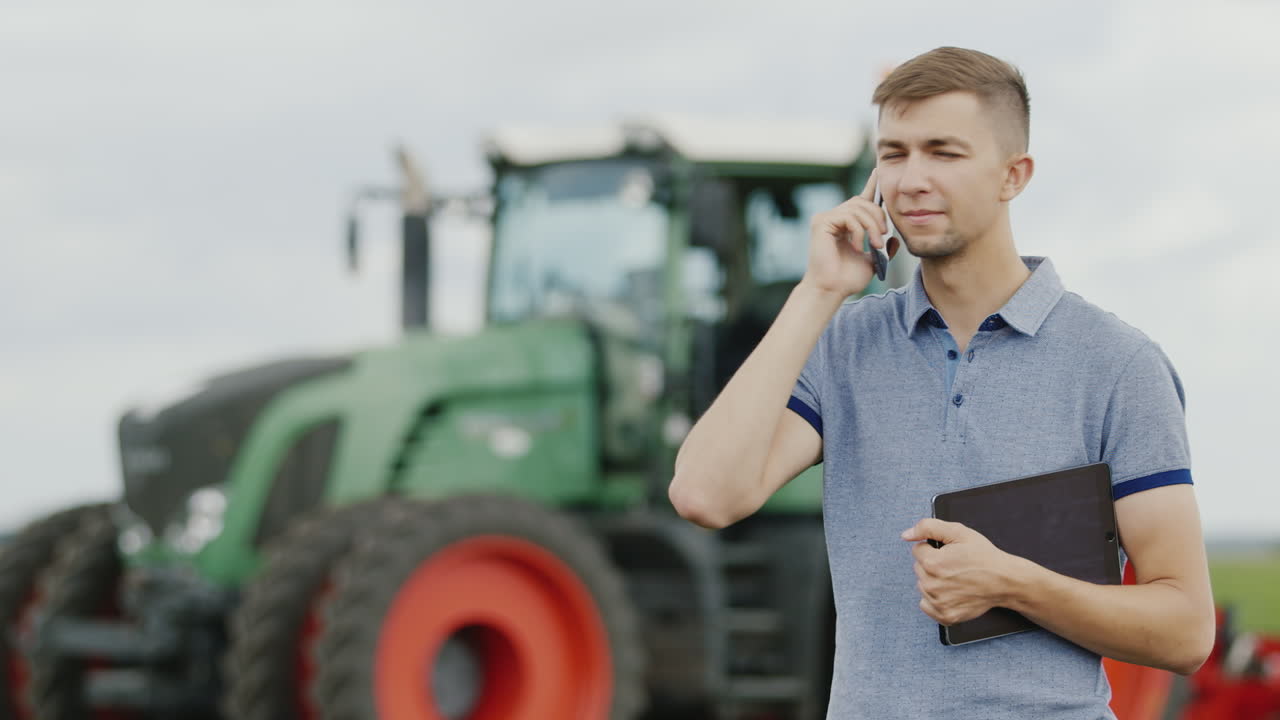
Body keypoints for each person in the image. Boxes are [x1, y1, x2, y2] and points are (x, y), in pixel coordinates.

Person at [668, 46, 1215, 719]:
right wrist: (819, 291)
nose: (912, 179)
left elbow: (1187, 628)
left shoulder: (1117, 365)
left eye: (943, 152)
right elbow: (703, 494)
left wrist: (1011, 582)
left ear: (1014, 175)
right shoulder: (845, 344)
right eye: (894, 154)